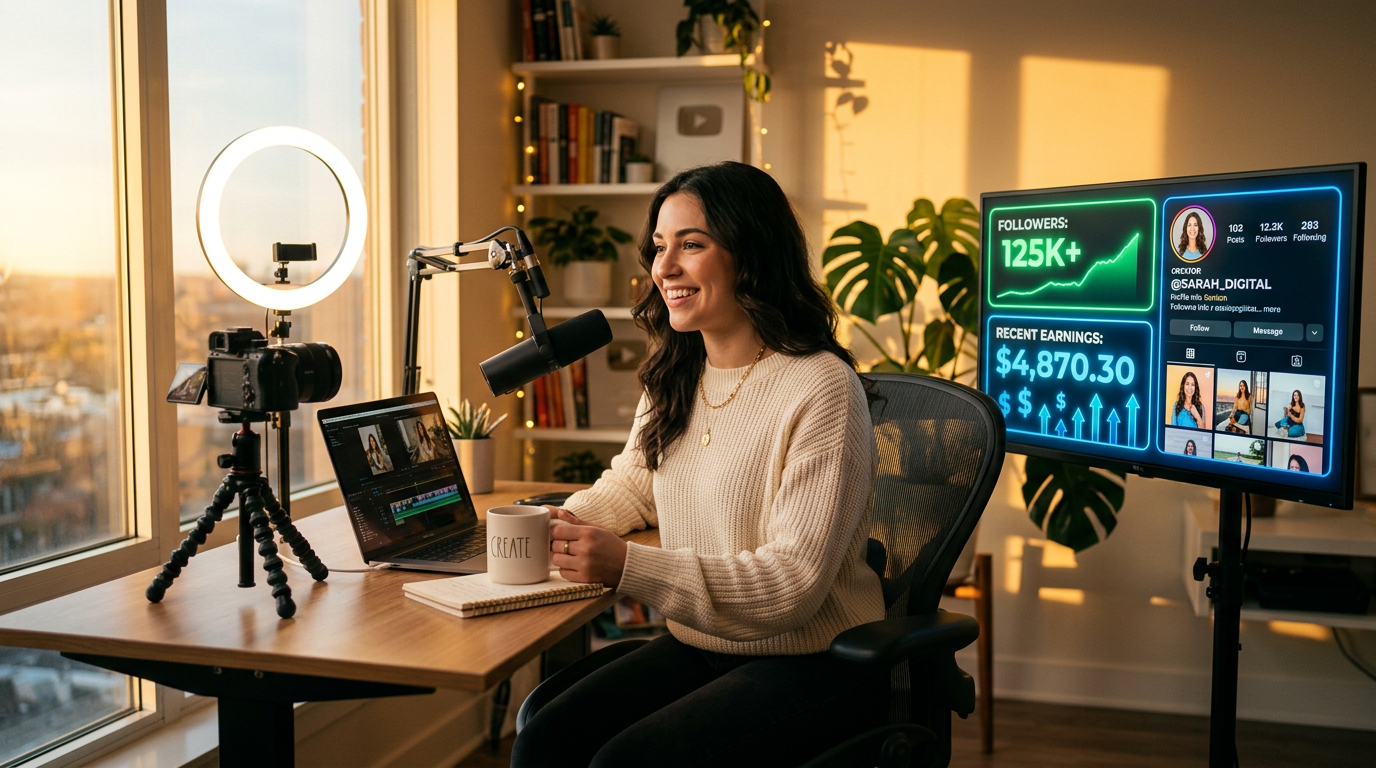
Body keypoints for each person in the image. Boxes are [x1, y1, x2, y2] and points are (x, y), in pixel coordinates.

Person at [511, 162, 888, 767]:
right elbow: (636, 485)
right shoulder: (677, 372)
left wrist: (627, 565)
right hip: (705, 641)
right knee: (546, 741)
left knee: (624, 764)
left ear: (751, 254)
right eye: (660, 246)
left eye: (692, 244)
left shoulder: (820, 388)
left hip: (814, 658)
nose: (664, 268)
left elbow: (791, 586)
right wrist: (562, 522)